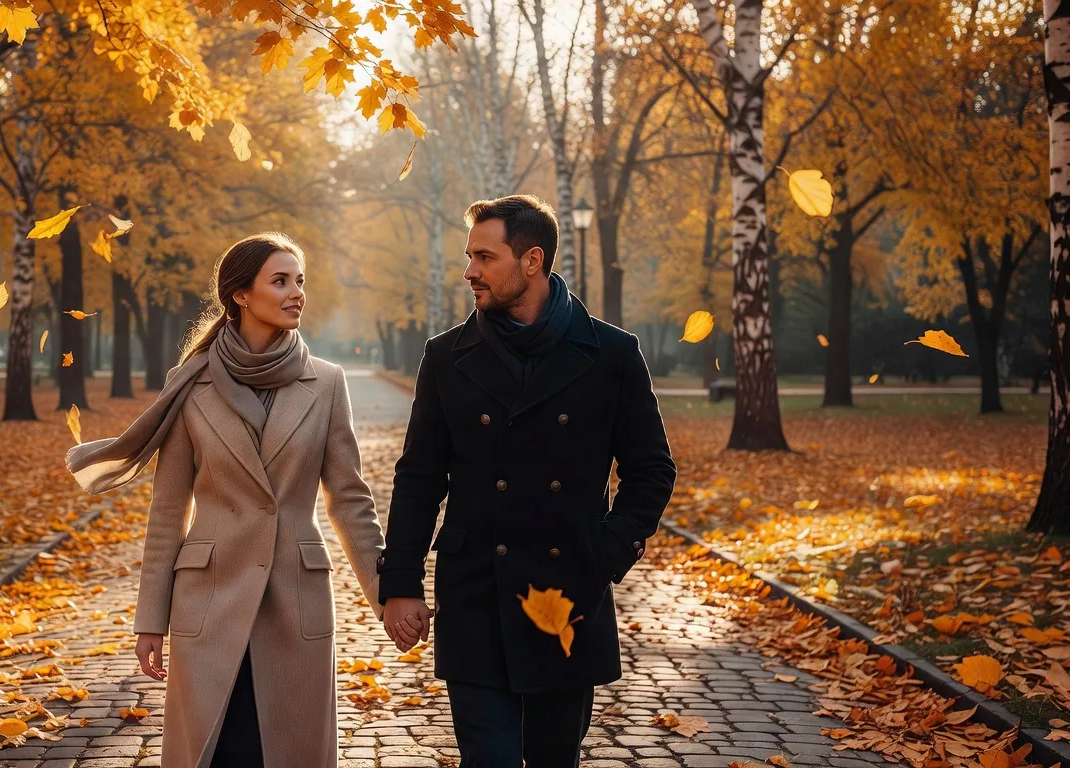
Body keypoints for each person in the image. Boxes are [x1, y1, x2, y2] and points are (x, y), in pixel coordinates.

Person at [376, 195, 677, 767]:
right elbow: (419, 476)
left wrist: (606, 552)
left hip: (566, 597)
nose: (470, 272)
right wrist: (401, 583)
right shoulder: (447, 357)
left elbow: (651, 469)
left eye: (485, 258)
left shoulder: (610, 353)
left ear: (532, 260)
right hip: (474, 593)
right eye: (469, 257)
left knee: (552, 757)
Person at [66, 233, 386, 768]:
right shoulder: (189, 385)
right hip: (208, 600)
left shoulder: (326, 383)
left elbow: (350, 497)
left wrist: (387, 593)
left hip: (295, 597)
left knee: (284, 751)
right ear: (240, 294)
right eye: (280, 281)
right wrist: (151, 620)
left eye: (299, 281)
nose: (296, 293)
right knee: (218, 751)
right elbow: (169, 512)